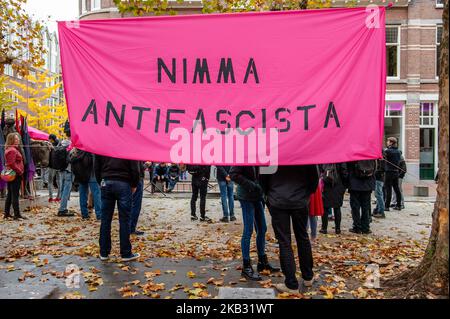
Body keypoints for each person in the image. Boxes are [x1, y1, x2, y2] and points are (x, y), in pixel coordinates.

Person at [261, 165, 319, 294]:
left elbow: (263, 179)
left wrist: (269, 196)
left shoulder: (272, 152)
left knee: (284, 241)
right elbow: (314, 177)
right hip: (299, 200)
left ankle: (292, 284)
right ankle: (308, 276)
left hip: (278, 199)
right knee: (303, 237)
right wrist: (306, 194)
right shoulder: (304, 150)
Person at [230, 166, 279, 281]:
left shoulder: (259, 154)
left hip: (257, 195)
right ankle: (246, 267)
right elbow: (233, 174)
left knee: (262, 228)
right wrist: (252, 185)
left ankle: (262, 262)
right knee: (248, 230)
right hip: (246, 195)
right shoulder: (243, 154)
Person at [95, 155, 140, 262]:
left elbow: (96, 166)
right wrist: (134, 184)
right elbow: (135, 167)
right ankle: (125, 253)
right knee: (124, 220)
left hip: (107, 181)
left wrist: (100, 181)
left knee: (105, 219)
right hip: (124, 182)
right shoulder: (127, 143)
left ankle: (104, 252)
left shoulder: (102, 144)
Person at [70, 148, 102, 220]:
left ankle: (84, 215)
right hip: (92, 175)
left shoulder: (77, 150)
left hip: (81, 175)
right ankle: (99, 215)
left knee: (82, 194)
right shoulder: (92, 149)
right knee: (96, 194)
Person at [347, 160, 376, 234]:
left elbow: (348, 169)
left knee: (355, 208)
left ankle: (357, 227)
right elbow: (375, 169)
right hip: (367, 185)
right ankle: (366, 227)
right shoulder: (371, 155)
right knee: (366, 207)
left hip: (354, 185)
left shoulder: (353, 155)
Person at [320, 163, 348, 234]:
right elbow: (344, 173)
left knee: (325, 207)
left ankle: (324, 228)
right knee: (337, 208)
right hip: (338, 185)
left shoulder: (325, 157)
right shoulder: (341, 159)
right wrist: (344, 186)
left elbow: (321, 170)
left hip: (326, 185)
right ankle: (338, 229)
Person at [3, 133, 26, 220]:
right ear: (11, 140)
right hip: (15, 175)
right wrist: (19, 171)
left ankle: (7, 214)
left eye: (18, 139)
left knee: (10, 194)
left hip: (13, 174)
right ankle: (17, 215)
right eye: (16, 139)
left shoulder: (12, 149)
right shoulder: (12, 150)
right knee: (15, 195)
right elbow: (11, 163)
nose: (18, 140)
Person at [55, 135, 74, 217]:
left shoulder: (61, 143)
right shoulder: (71, 144)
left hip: (61, 170)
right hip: (68, 170)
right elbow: (71, 159)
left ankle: (62, 207)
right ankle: (62, 209)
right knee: (66, 190)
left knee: (63, 189)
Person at [383, 137, 402, 211]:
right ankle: (399, 205)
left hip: (389, 172)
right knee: (397, 189)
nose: (387, 142)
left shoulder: (388, 151)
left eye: (388, 141)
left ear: (391, 143)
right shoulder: (398, 151)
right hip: (396, 172)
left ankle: (386, 206)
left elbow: (382, 155)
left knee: (388, 189)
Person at [130, 161, 145, 235]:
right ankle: (131, 228)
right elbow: (137, 168)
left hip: (127, 178)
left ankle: (128, 227)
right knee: (136, 204)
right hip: (137, 178)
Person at [47, 134, 61, 202]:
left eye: (49, 139)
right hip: (59, 166)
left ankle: (51, 197)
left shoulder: (51, 145)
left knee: (50, 181)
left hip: (52, 166)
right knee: (59, 181)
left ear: (51, 139)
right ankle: (59, 197)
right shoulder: (60, 144)